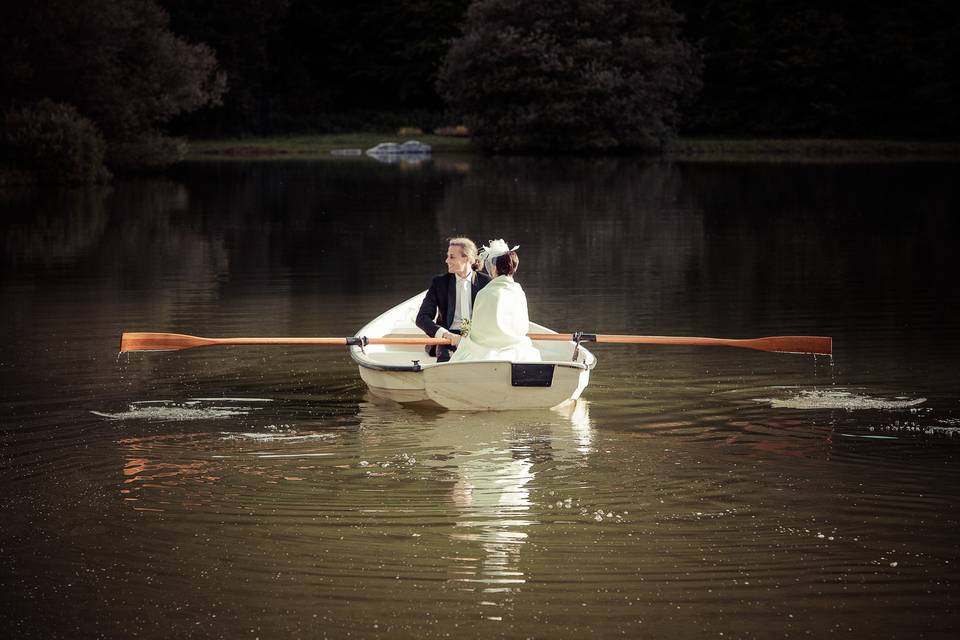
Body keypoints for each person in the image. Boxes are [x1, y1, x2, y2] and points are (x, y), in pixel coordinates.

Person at [449, 240, 541, 363]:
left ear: (494, 267)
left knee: (465, 348)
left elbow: (478, 333)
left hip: (487, 350)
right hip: (516, 346)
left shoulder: (485, 293)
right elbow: (522, 327)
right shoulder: (519, 292)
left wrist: (465, 337)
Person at [416, 237, 492, 363]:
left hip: (478, 336)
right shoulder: (439, 283)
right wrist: (446, 335)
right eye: (447, 256)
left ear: (467, 258)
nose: (446, 260)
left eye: (452, 257)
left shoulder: (487, 283)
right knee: (445, 359)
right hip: (448, 337)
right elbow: (422, 318)